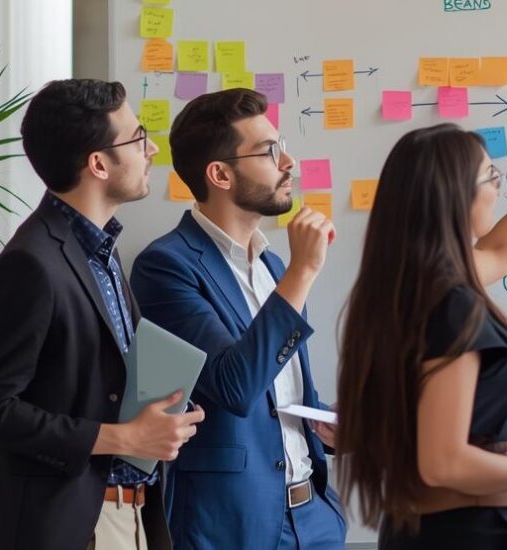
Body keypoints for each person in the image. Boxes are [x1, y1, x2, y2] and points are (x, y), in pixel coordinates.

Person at [335, 100, 507, 549]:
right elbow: (444, 462)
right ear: (453, 197)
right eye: (491, 177)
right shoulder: (449, 303)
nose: (499, 188)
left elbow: (502, 251)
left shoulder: (409, 284)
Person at [0, 79, 204, 550]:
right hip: (67, 525)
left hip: (130, 514)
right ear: (97, 163)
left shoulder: (102, 251)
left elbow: (96, 383)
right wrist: (121, 436)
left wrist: (163, 414)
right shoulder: (30, 263)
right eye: (137, 137)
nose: (152, 147)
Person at [129, 88, 345, 549]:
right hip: (234, 527)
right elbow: (233, 385)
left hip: (315, 518)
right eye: (269, 151)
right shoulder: (166, 266)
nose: (288, 162)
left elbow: (280, 392)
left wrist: (326, 424)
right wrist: (305, 271)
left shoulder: (273, 268)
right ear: (221, 174)